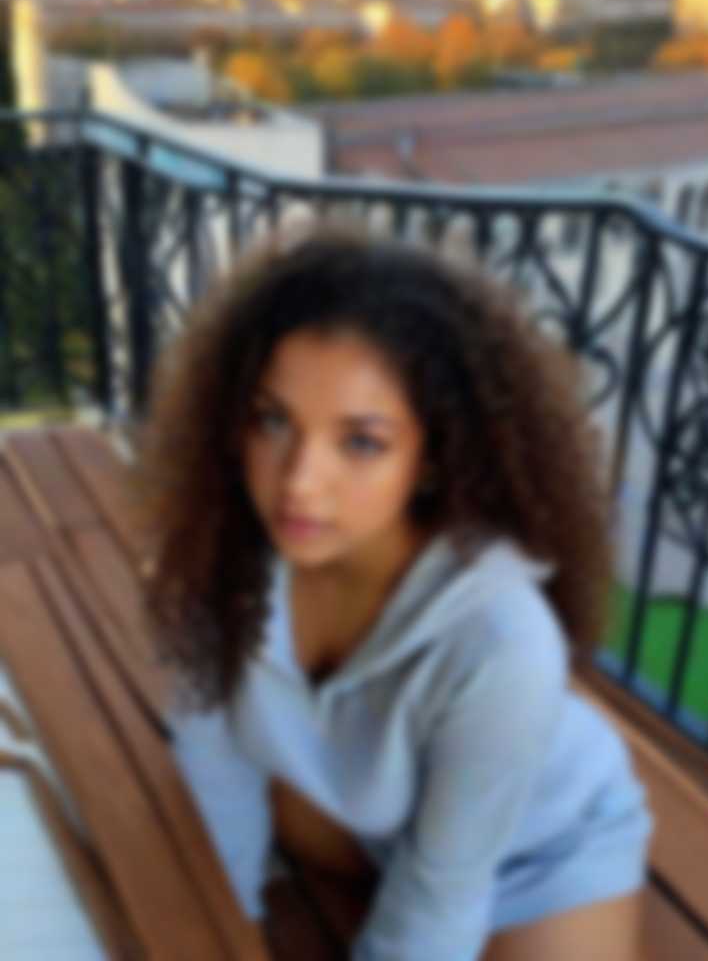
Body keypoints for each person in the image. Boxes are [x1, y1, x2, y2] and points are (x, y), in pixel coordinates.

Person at [138, 229, 653, 961]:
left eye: (361, 442)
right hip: (372, 820)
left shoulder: (502, 643)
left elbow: (438, 902)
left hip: (544, 844)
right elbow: (218, 783)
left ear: (433, 456)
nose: (299, 483)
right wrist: (226, 936)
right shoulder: (216, 556)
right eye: (273, 420)